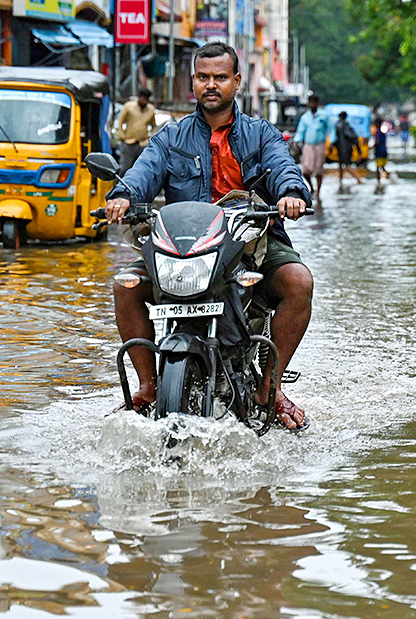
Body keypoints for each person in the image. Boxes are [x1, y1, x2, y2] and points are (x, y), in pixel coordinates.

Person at [104, 41, 314, 431]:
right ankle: (148, 386)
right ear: (193, 83)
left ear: (237, 81)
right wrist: (122, 196)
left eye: (220, 77)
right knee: (125, 286)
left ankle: (270, 387)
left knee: (299, 282)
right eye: (203, 77)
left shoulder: (261, 133)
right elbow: (142, 174)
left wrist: (290, 195)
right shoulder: (171, 137)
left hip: (249, 244)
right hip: (183, 247)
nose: (211, 85)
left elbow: (284, 167)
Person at [114, 87, 159, 175]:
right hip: (129, 142)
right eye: (142, 98)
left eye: (146, 99)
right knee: (125, 168)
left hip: (143, 143)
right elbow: (120, 121)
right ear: (139, 97)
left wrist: (152, 137)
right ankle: (121, 187)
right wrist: (122, 135)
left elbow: (154, 125)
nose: (144, 101)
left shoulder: (150, 110)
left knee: (142, 169)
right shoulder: (129, 106)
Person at [293, 93, 330, 195]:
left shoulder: (324, 116)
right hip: (308, 145)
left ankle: (318, 191)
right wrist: (297, 141)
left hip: (320, 144)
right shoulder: (305, 117)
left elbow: (330, 130)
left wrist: (331, 143)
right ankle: (311, 187)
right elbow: (300, 130)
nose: (312, 104)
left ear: (317, 103)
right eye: (310, 102)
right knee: (305, 170)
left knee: (319, 169)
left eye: (314, 102)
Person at [334, 111, 365, 184]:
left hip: (342, 149)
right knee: (342, 165)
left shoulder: (338, 126)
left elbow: (335, 138)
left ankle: (358, 180)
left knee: (346, 165)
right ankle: (340, 180)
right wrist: (358, 149)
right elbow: (355, 138)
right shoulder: (348, 126)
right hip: (348, 148)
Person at [372, 114, 391, 184]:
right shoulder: (383, 131)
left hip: (379, 151)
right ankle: (389, 175)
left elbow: (377, 141)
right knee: (382, 167)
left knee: (377, 167)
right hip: (384, 151)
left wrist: (372, 147)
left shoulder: (378, 132)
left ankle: (378, 181)